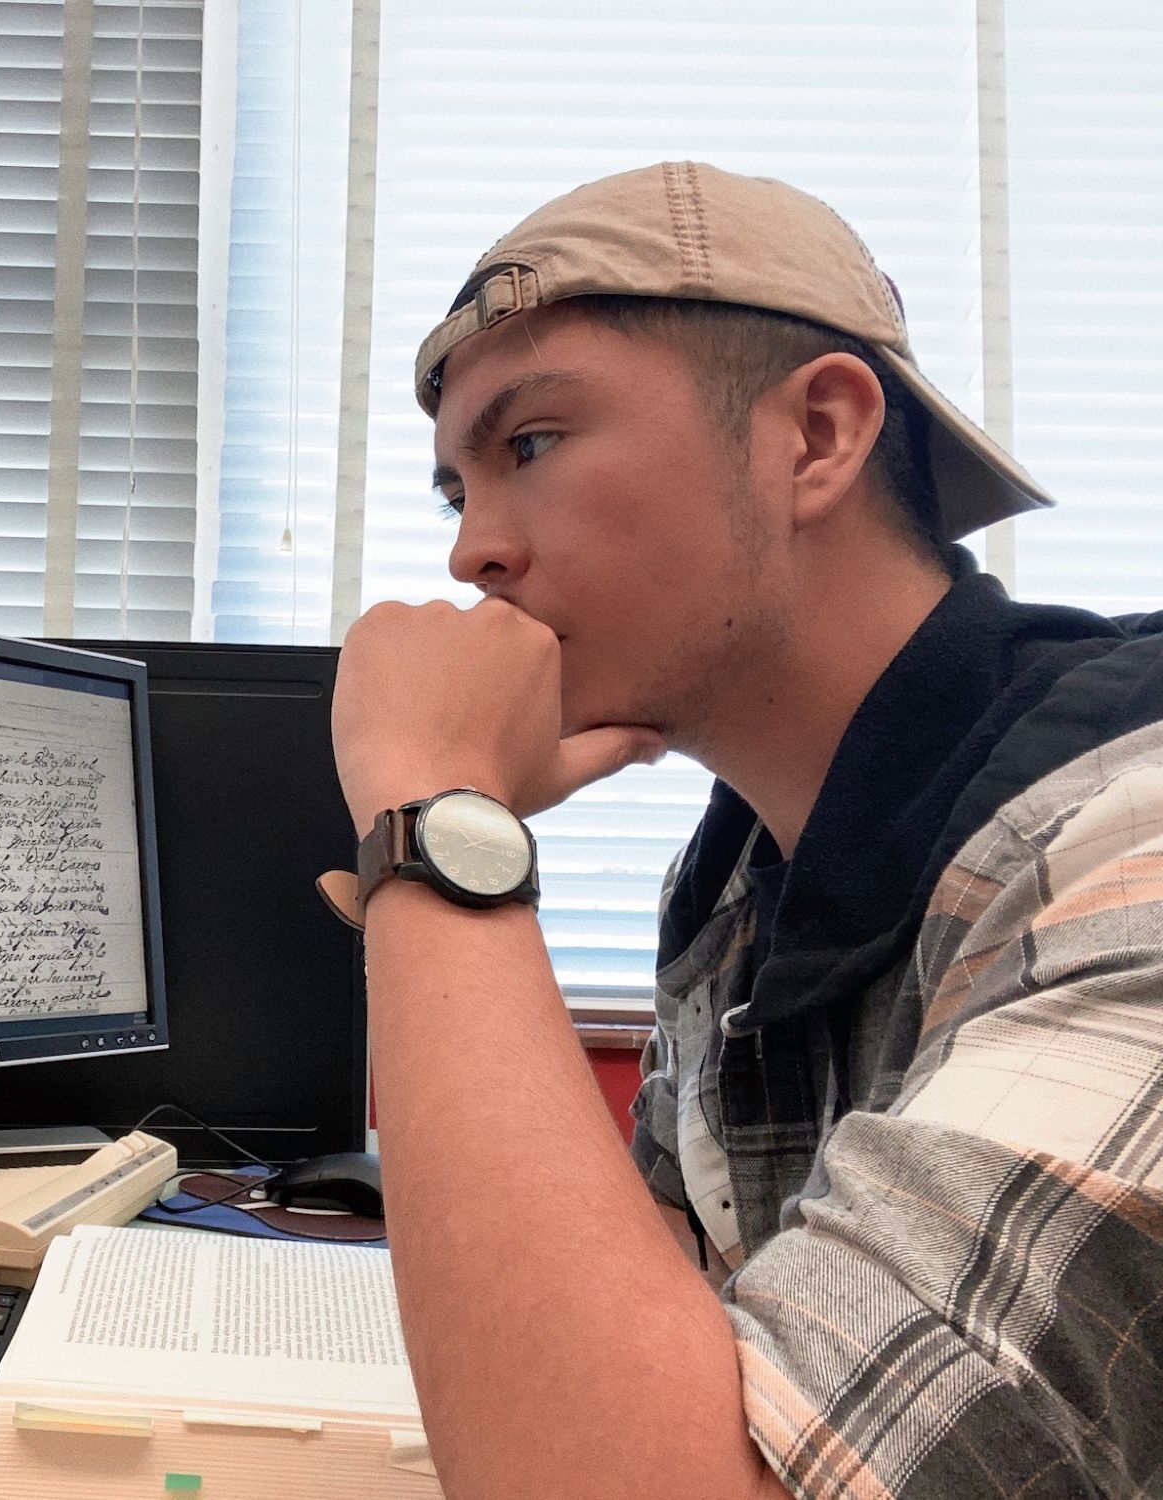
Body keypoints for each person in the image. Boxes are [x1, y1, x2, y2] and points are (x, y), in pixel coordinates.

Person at [322, 161, 1163, 1498]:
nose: (471, 552)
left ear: (819, 436)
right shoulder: (735, 890)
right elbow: (631, 1353)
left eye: (529, 444)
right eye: (455, 490)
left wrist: (435, 816)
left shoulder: (1130, 845)